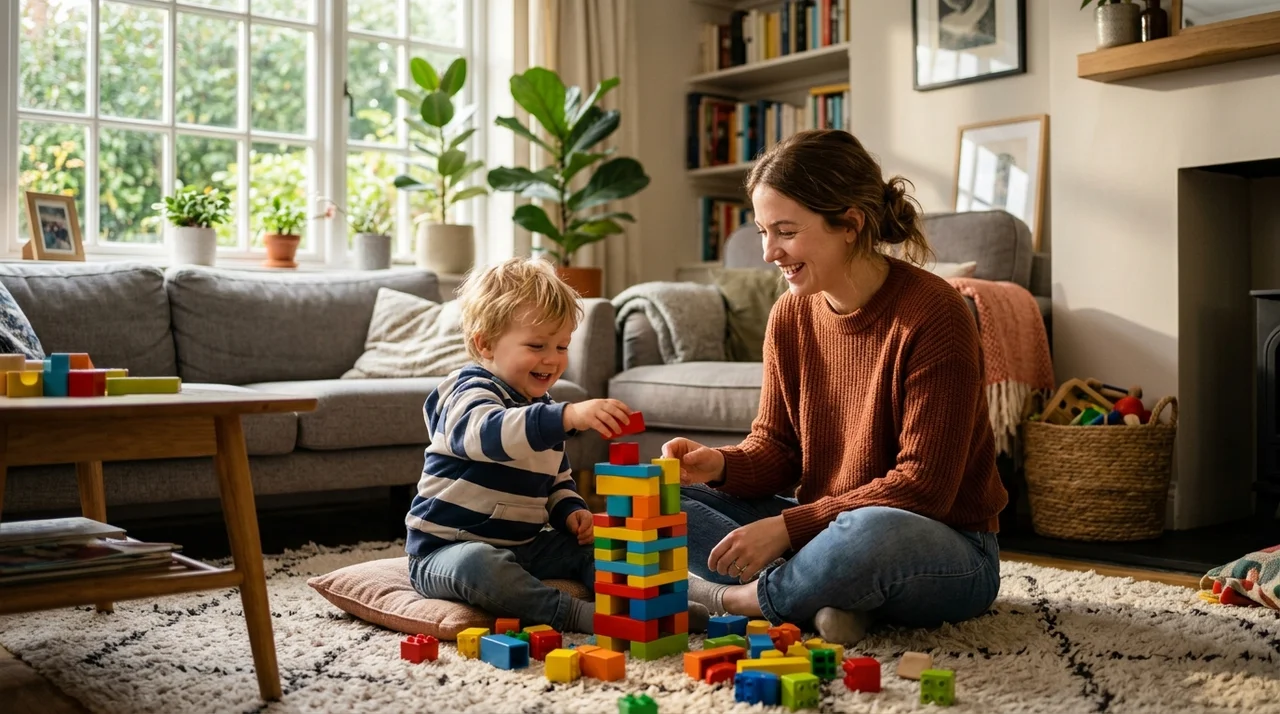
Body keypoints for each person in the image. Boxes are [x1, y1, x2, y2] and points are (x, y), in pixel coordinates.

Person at [666, 129, 1007, 646]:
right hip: (825, 536)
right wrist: (719, 465)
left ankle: (743, 601)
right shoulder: (790, 314)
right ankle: (833, 599)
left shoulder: (936, 314)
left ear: (850, 224)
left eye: (784, 231)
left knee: (871, 532)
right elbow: (777, 448)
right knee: (663, 499)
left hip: (943, 547)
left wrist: (787, 528)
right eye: (762, 231)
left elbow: (922, 488)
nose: (768, 252)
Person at [405, 257, 633, 634]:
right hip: (447, 550)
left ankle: (631, 603)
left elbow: (556, 479)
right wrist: (566, 416)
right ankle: (570, 614)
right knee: (481, 566)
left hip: (525, 545)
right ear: (486, 344)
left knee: (605, 545)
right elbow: (488, 434)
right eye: (537, 345)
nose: (553, 359)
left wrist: (571, 511)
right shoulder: (467, 391)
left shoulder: (542, 411)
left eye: (562, 346)